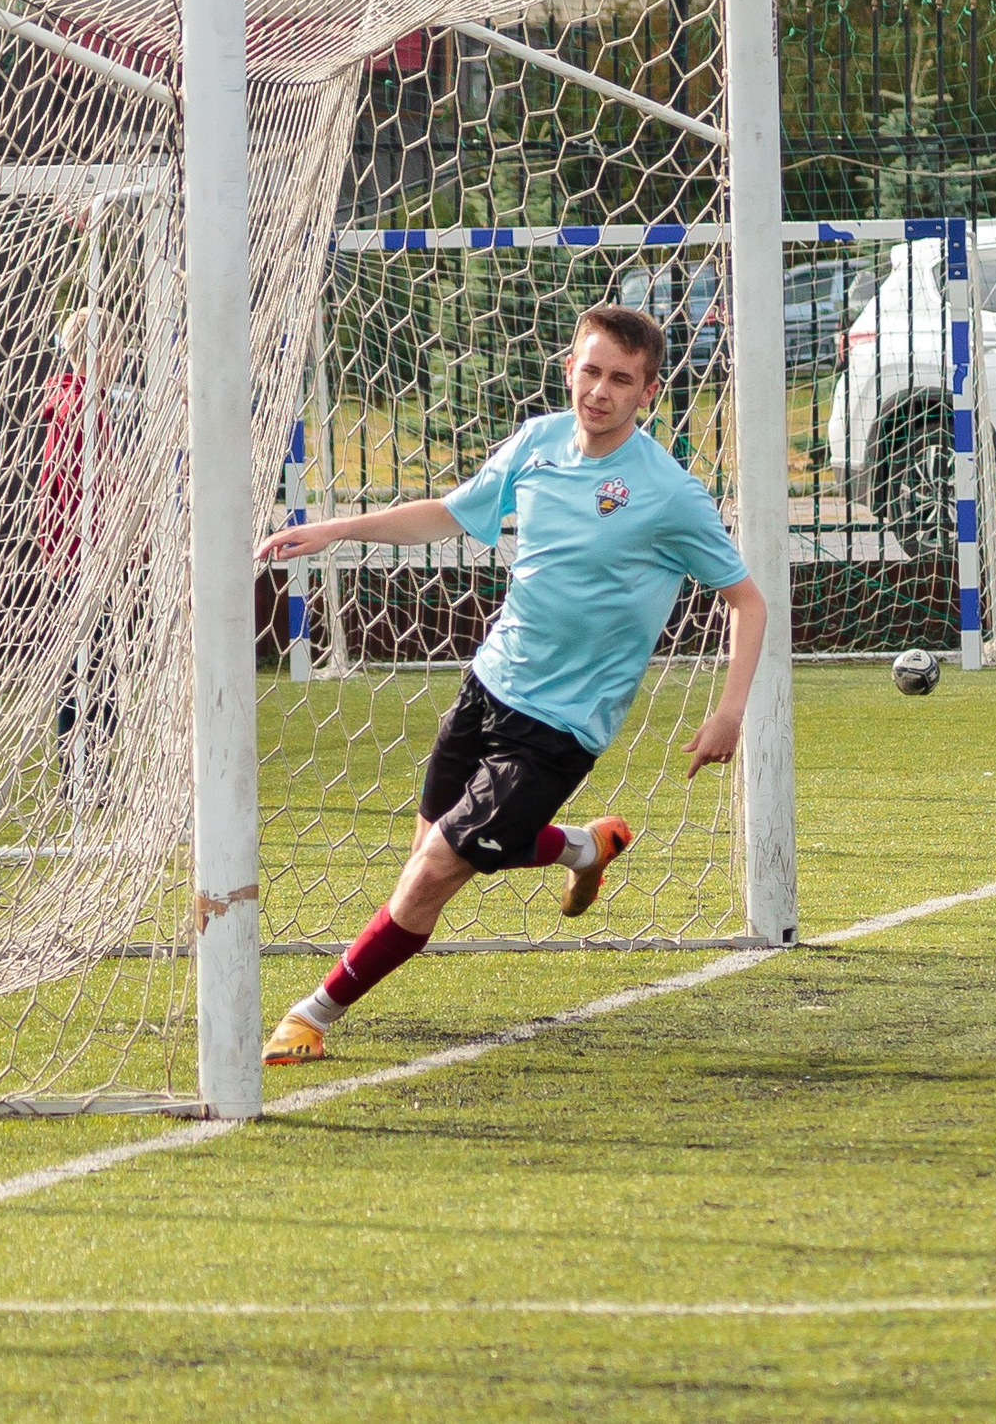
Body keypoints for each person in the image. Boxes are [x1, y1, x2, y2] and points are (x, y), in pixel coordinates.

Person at [250, 303, 769, 1065]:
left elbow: (748, 601)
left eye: (620, 379)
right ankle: (583, 847)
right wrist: (333, 529)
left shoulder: (668, 493)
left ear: (647, 393)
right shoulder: (537, 441)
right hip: (488, 685)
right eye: (589, 371)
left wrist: (730, 714)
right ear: (569, 369)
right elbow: (450, 514)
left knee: (430, 876)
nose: (599, 391)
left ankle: (311, 1015)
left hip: (561, 728)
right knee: (430, 849)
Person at [38, 308, 125, 775]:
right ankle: (82, 777)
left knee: (97, 671)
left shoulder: (83, 402)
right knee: (87, 673)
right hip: (78, 562)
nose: (120, 357)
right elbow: (79, 486)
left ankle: (91, 774)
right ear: (100, 349)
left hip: (81, 559)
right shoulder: (78, 409)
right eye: (115, 347)